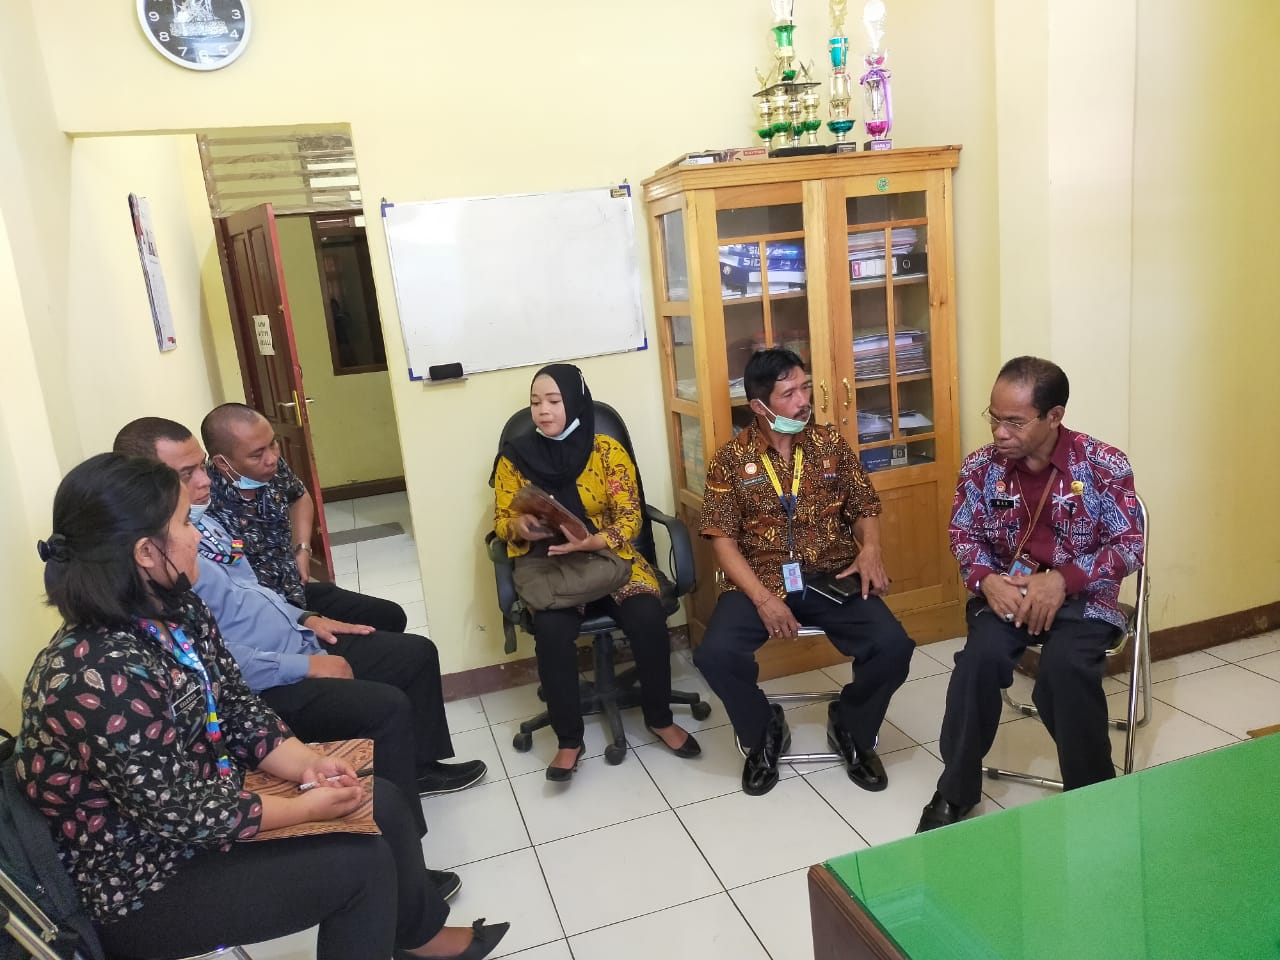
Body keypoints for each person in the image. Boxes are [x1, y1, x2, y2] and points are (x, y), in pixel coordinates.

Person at [17, 453, 509, 960]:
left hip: (206, 810)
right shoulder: (94, 675)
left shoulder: (178, 611)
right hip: (144, 878)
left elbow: (236, 708)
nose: (196, 537)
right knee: (359, 866)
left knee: (379, 799)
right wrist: (302, 808)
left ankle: (419, 940)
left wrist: (310, 765)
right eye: (185, 523)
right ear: (145, 552)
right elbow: (181, 813)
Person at [114, 418, 486, 811]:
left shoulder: (203, 524)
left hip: (295, 634)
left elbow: (254, 592)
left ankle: (420, 771)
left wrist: (305, 618)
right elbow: (214, 661)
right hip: (268, 678)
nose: (204, 481)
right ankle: (390, 816)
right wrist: (305, 666)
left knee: (414, 653)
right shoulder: (162, 566)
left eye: (201, 466)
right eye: (186, 474)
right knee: (386, 705)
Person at [917, 356, 1144, 832]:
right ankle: (955, 791)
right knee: (977, 665)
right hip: (1007, 592)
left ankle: (1093, 796)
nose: (999, 433)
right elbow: (964, 535)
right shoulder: (981, 467)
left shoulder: (1102, 465)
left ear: (1054, 416)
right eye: (994, 418)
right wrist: (986, 580)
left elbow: (1129, 545)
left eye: (1015, 422)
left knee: (1064, 672)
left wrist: (1063, 579)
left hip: (1083, 599)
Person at [694, 348, 915, 797]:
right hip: (759, 578)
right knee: (714, 654)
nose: (803, 401)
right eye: (789, 393)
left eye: (805, 387)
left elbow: (864, 505)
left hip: (831, 572)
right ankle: (764, 732)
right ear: (759, 407)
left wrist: (871, 549)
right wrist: (762, 599)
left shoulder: (830, 445)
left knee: (893, 646)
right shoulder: (730, 459)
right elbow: (723, 542)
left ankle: (851, 725)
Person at [492, 363, 699, 781]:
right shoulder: (515, 458)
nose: (543, 411)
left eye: (554, 401)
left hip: (611, 558)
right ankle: (569, 739)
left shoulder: (606, 451)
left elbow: (630, 518)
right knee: (551, 631)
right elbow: (502, 520)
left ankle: (659, 718)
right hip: (552, 565)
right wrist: (520, 526)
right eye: (535, 402)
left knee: (647, 616)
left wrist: (592, 542)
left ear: (574, 402)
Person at [201, 402, 406, 633]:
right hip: (265, 616)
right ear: (222, 462)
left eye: (273, 444)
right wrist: (307, 620)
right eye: (257, 454)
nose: (271, 458)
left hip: (294, 588)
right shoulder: (205, 504)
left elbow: (299, 496)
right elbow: (231, 597)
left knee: (390, 616)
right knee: (402, 648)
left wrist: (302, 549)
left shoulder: (270, 467)